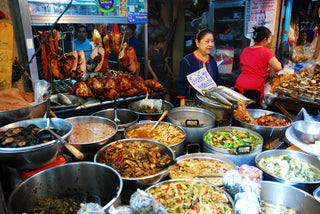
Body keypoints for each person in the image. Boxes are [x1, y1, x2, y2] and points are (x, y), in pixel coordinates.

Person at [234, 26, 282, 108]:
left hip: (240, 85)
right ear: (265, 39)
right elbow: (278, 67)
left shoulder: (246, 50)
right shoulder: (266, 52)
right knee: (250, 114)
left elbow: (245, 66)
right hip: (253, 88)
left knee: (239, 111)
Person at [177, 29, 221, 107]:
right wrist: (182, 104)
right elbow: (181, 83)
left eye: (212, 41)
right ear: (197, 42)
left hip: (210, 103)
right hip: (191, 103)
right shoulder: (187, 60)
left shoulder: (212, 60)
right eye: (207, 41)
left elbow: (217, 81)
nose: (210, 44)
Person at [148, 34, 171, 101]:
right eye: (161, 44)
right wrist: (154, 75)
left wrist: (165, 60)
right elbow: (148, 64)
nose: (162, 45)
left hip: (162, 75)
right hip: (153, 75)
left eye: (163, 44)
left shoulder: (161, 50)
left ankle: (167, 109)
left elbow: (162, 59)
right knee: (154, 94)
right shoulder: (150, 51)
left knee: (166, 92)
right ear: (155, 43)